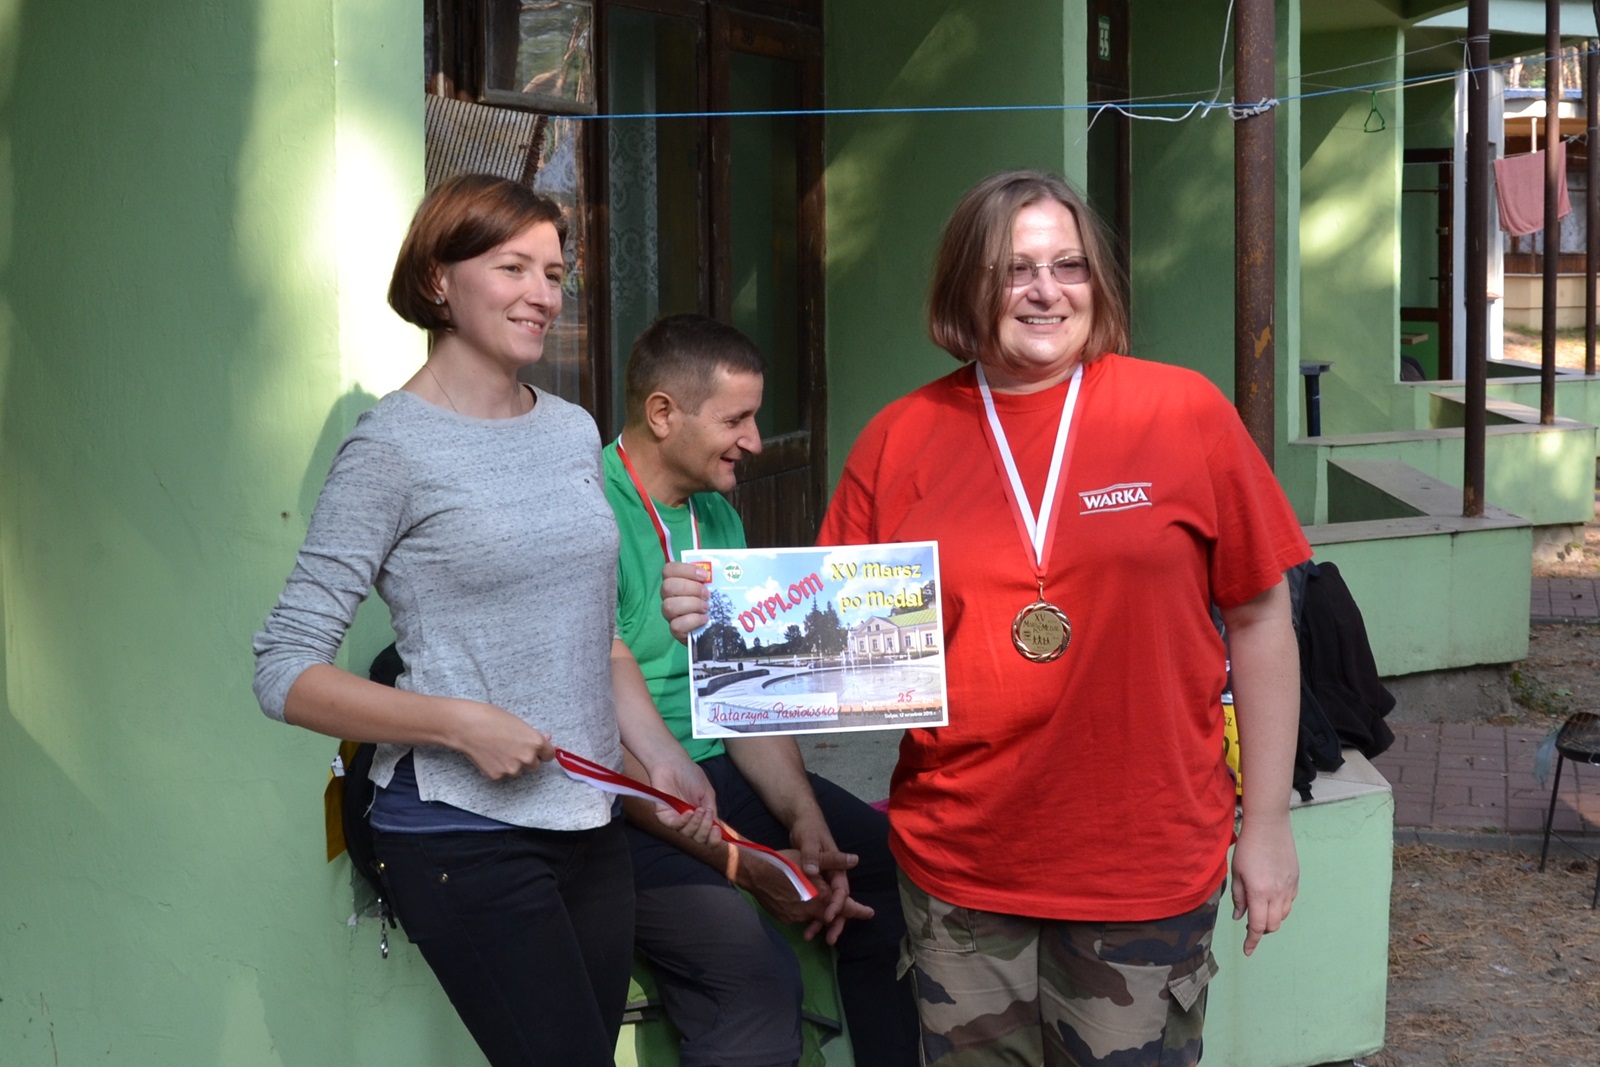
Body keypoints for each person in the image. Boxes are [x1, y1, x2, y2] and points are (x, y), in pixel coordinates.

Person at [664, 171, 1310, 1066]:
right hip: (961, 874)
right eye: (1015, 269)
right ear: (967, 284)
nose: (1046, 290)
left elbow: (1261, 619)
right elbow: (821, 647)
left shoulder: (1183, 411)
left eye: (1069, 265)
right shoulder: (900, 438)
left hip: (1142, 865)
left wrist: (1267, 821)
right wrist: (720, 624)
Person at [252, 174, 713, 1067]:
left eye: (555, 273)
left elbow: (596, 634)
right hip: (461, 834)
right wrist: (458, 723)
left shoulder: (571, 429)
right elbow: (283, 670)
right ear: (439, 278)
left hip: (592, 825)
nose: (544, 294)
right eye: (513, 268)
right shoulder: (391, 448)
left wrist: (658, 757)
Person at [604, 313, 919, 1067]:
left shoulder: (717, 515)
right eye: (736, 420)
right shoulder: (588, 514)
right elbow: (594, 739)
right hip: (619, 800)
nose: (755, 440)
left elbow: (744, 700)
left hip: (714, 770)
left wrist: (804, 822)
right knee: (753, 974)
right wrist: (747, 864)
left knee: (883, 872)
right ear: (662, 413)